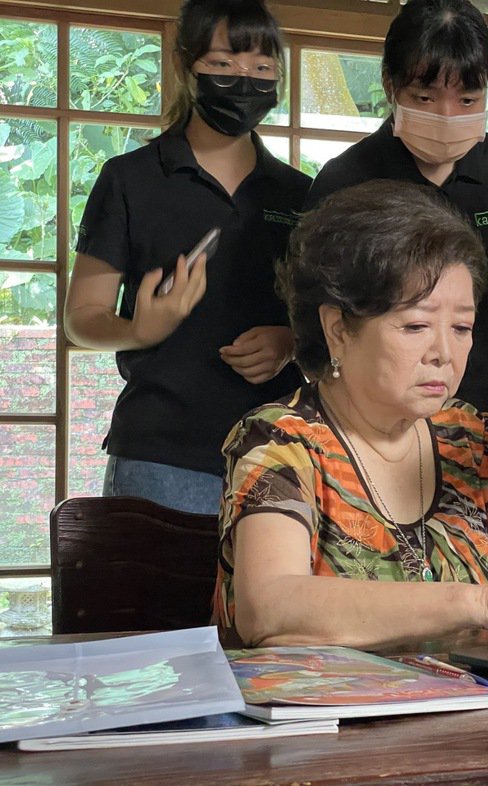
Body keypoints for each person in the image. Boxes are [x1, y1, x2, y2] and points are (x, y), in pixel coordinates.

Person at [213, 180, 488, 649]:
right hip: (336, 717)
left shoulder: (467, 441)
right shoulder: (281, 442)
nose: (444, 353)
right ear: (338, 329)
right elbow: (270, 606)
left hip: (479, 711)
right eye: (416, 325)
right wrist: (485, 603)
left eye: (462, 327)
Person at [65, 0, 310, 514]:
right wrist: (140, 330)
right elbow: (81, 319)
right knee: (156, 597)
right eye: (223, 64)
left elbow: (332, 319)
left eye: (262, 69)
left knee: (270, 597)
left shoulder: (300, 194)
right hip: (160, 454)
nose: (244, 81)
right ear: (184, 66)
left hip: (279, 451)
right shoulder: (129, 179)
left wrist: (291, 341)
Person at [302, 0, 488, 457]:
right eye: (424, 98)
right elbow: (322, 316)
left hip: (476, 422)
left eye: (467, 100)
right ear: (390, 85)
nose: (446, 115)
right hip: (369, 429)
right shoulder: (346, 179)